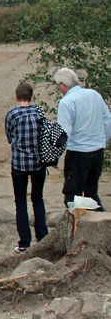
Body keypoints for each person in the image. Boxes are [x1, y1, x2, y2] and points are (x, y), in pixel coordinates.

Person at [54, 67, 111, 211]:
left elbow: (64, 131)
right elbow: (107, 119)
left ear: (62, 85)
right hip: (97, 151)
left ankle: (79, 230)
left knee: (72, 196)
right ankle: (99, 226)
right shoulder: (94, 95)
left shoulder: (66, 102)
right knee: (91, 192)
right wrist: (102, 140)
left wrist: (56, 156)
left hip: (78, 152)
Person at [5, 83, 48, 253]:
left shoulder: (13, 114)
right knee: (38, 198)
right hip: (38, 162)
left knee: (21, 202)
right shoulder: (39, 112)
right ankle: (43, 236)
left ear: (16, 97)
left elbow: (9, 136)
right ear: (31, 96)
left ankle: (24, 242)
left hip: (20, 163)